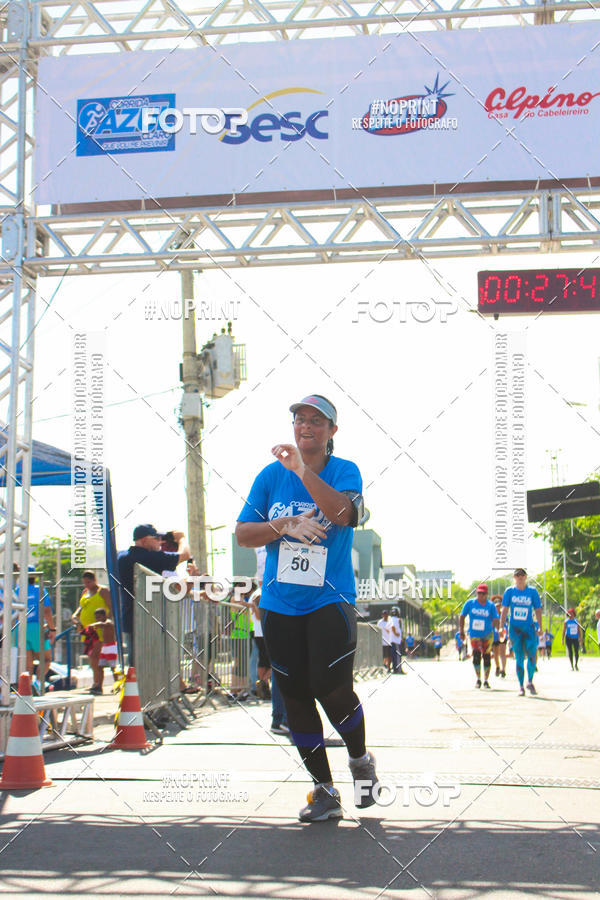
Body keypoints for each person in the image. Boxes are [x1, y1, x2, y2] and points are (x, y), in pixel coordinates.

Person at [235, 393, 378, 823]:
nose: (306, 426)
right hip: (280, 602)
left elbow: (342, 513)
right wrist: (284, 524)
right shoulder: (268, 476)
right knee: (294, 694)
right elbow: (244, 533)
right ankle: (324, 789)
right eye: (300, 418)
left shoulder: (344, 470)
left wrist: (301, 469)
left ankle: (359, 760)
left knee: (330, 688)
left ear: (332, 431)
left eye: (317, 420)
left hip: (329, 598)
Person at [117, 524, 190, 664]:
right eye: (156, 538)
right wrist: (181, 538)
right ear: (144, 540)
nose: (160, 541)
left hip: (132, 617)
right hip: (149, 618)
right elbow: (185, 554)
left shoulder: (122, 556)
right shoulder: (150, 557)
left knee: (138, 664)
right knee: (152, 663)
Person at [499, 568, 543, 696]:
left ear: (526, 577)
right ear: (514, 578)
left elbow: (538, 609)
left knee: (531, 655)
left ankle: (530, 681)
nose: (520, 578)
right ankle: (520, 686)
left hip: (529, 628)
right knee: (518, 657)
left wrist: (540, 627)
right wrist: (502, 627)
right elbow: (505, 609)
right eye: (517, 576)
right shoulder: (510, 591)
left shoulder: (532, 592)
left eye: (522, 575)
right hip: (515, 629)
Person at [72, 570, 113, 692]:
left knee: (97, 657)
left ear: (95, 580)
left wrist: (106, 622)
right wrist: (75, 617)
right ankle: (96, 683)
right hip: (87, 631)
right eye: (84, 583)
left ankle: (99, 684)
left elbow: (111, 607)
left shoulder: (103, 591)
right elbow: (80, 608)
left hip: (99, 630)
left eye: (89, 582)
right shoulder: (85, 592)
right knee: (92, 659)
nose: (87, 585)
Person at [15, 566, 55, 678]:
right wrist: (52, 629)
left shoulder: (17, 590)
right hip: (37, 627)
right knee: (46, 659)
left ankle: (28, 689)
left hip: (21, 628)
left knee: (28, 665)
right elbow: (46, 611)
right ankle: (38, 683)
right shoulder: (40, 589)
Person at [459, 584, 499, 689]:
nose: (480, 595)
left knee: (486, 657)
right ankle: (478, 679)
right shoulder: (470, 603)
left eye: (483, 593)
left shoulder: (490, 606)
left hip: (487, 635)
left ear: (486, 594)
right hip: (474, 635)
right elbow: (462, 616)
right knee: (476, 656)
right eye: (479, 593)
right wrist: (461, 631)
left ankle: (486, 680)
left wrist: (496, 628)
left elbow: (495, 618)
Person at [93, 608, 120, 693]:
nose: (98, 619)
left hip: (111, 647)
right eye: (96, 617)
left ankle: (117, 686)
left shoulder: (108, 622)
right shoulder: (103, 623)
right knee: (100, 667)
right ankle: (99, 687)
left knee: (113, 668)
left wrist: (94, 624)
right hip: (104, 647)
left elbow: (103, 624)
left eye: (99, 617)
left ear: (104, 615)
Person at [491, 597, 507, 678]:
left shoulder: (503, 614)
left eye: (499, 606)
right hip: (494, 636)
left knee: (502, 653)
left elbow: (507, 624)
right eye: (496, 606)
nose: (497, 607)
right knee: (496, 654)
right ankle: (498, 666)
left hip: (502, 635)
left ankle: (503, 669)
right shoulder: (492, 615)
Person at [389, 608, 404, 673]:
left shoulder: (391, 619)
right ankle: (398, 670)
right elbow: (393, 627)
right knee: (398, 655)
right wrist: (395, 633)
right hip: (396, 641)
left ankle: (395, 669)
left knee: (394, 655)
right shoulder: (395, 619)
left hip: (394, 640)